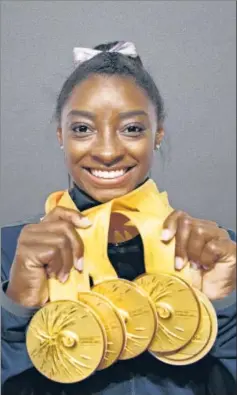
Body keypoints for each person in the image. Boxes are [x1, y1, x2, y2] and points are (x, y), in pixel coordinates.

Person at [1, 41, 236, 395]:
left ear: (157, 134)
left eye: (132, 129)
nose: (108, 152)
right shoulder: (8, 253)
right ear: (61, 135)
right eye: (82, 129)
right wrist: (16, 308)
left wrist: (224, 305)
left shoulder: (218, 252)